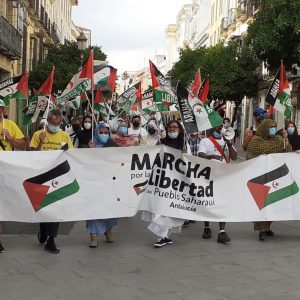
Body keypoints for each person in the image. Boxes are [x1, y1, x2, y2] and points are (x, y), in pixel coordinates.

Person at [30, 109, 73, 254]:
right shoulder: (38, 135)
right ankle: (43, 231)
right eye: (52, 123)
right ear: (47, 122)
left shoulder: (65, 136)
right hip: (41, 177)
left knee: (56, 209)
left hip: (58, 177)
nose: (55, 125)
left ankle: (51, 241)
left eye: (58, 123)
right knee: (43, 208)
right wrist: (40, 144)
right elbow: (31, 158)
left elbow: (71, 156)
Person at [246, 119, 292, 240]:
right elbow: (249, 158)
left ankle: (267, 227)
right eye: (270, 127)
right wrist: (261, 159)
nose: (273, 129)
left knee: (273, 203)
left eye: (274, 127)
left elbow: (288, 152)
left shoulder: (279, 139)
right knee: (262, 203)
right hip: (260, 178)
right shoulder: (255, 142)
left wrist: (286, 139)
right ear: (264, 128)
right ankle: (262, 230)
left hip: (275, 177)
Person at [144, 120, 186, 248]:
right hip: (162, 180)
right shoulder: (162, 142)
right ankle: (161, 236)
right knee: (160, 207)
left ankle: (165, 236)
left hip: (176, 181)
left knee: (170, 208)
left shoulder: (183, 144)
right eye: (171, 127)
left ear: (179, 130)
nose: (173, 129)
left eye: (175, 127)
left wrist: (184, 154)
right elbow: (153, 157)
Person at [198, 124, 237, 243]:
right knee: (208, 201)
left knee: (222, 202)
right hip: (208, 175)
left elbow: (234, 157)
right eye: (217, 128)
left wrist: (229, 144)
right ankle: (207, 227)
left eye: (221, 128)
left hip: (223, 176)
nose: (219, 130)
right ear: (212, 128)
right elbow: (200, 155)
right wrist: (211, 156)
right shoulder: (205, 141)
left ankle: (222, 231)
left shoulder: (226, 141)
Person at [86, 123, 119, 248]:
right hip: (94, 184)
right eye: (101, 132)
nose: (104, 135)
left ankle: (108, 230)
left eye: (106, 133)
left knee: (110, 209)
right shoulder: (91, 145)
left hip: (110, 184)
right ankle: (93, 236)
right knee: (93, 209)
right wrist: (90, 151)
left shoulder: (113, 145)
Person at [0, 99, 26, 253]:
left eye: (0, 108)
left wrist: (10, 138)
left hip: (5, 170)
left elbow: (23, 145)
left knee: (1, 207)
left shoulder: (10, 125)